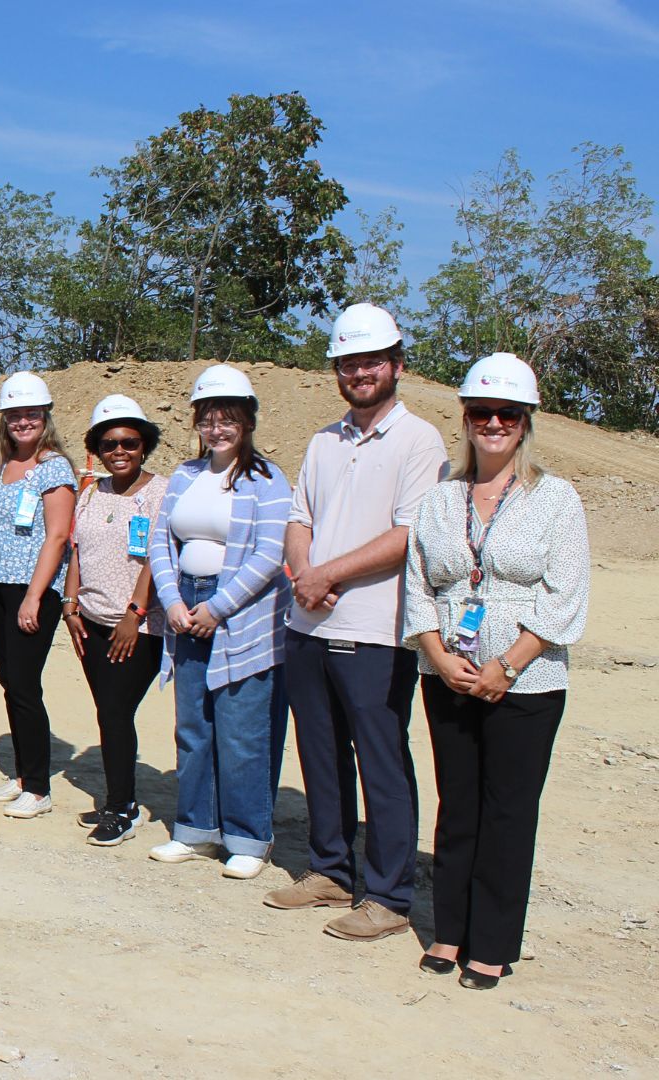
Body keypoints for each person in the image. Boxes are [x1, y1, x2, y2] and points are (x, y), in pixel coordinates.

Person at [406, 353, 589, 990]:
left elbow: (566, 596)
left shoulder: (556, 500)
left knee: (507, 811)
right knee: (457, 809)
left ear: (525, 421)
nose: (492, 423)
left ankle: (492, 943)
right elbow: (419, 586)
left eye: (505, 413)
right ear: (465, 418)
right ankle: (450, 930)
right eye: (481, 412)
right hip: (448, 678)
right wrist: (436, 654)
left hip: (527, 683)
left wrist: (506, 666)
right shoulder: (439, 499)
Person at [267, 304, 448, 942]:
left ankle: (391, 897)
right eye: (348, 363)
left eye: (371, 361)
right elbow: (299, 519)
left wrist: (328, 574)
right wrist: (302, 573)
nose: (359, 372)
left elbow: (410, 532)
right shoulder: (323, 439)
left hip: (376, 629)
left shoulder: (418, 440)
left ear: (396, 364)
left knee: (380, 760)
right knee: (318, 753)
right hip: (309, 623)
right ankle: (330, 870)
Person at [146, 365, 291, 880]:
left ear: (247, 421)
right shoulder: (185, 475)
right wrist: (175, 601)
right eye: (208, 418)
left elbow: (271, 554)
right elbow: (162, 542)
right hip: (186, 608)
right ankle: (195, 830)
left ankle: (248, 837)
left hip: (243, 618)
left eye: (228, 418)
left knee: (242, 731)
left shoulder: (268, 480)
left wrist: (218, 607)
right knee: (194, 726)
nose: (218, 428)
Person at [61, 394, 168, 846]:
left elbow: (160, 559)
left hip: (137, 627)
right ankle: (115, 797)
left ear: (144, 444)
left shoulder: (160, 493)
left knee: (116, 712)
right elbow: (78, 550)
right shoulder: (91, 493)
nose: (119, 451)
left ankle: (122, 807)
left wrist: (135, 614)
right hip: (91, 620)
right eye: (109, 444)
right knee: (108, 711)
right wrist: (69, 605)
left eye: (128, 441)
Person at [0, 372, 74, 820]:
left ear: (44, 417)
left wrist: (34, 597)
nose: (22, 422)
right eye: (14, 415)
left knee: (26, 686)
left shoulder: (55, 469)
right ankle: (21, 775)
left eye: (31, 414)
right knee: (11, 683)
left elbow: (57, 538)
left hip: (31, 590)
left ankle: (38, 785)